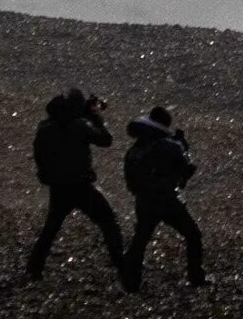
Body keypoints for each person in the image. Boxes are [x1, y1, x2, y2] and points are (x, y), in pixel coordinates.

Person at [26, 88, 126, 282]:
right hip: (80, 186)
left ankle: (34, 267)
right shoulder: (80, 125)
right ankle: (120, 263)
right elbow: (106, 140)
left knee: (51, 227)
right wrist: (96, 117)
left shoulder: (45, 127)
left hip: (58, 186)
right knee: (108, 221)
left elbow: (39, 155)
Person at [121, 105, 207, 290]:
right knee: (193, 235)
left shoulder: (136, 148)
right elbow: (188, 168)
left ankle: (130, 280)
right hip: (167, 200)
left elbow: (130, 180)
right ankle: (195, 276)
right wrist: (183, 147)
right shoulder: (169, 145)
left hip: (144, 200)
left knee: (141, 239)